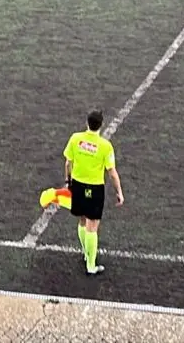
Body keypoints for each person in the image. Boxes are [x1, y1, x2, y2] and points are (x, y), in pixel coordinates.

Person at [63, 109, 124, 276]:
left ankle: (85, 252)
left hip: (77, 185)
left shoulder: (75, 138)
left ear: (87, 123)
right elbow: (111, 172)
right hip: (94, 189)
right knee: (93, 226)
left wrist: (68, 182)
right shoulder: (105, 146)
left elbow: (68, 163)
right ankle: (91, 265)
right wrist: (119, 192)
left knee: (82, 221)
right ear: (101, 125)